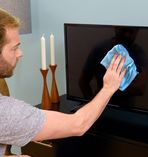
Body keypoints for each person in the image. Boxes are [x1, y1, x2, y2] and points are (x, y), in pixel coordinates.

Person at [0, 8, 126, 157]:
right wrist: (109, 87)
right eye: (14, 48)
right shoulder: (5, 112)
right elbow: (78, 124)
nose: (20, 53)